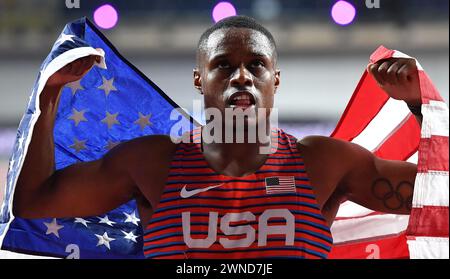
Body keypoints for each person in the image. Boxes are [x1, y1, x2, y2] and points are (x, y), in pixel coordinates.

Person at [12, 16, 423, 259]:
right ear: (200, 79)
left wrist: (421, 106)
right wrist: (49, 94)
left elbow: (435, 202)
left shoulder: (325, 162)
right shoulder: (150, 161)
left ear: (274, 80)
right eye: (223, 66)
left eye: (256, 65)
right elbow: (34, 201)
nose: (241, 76)